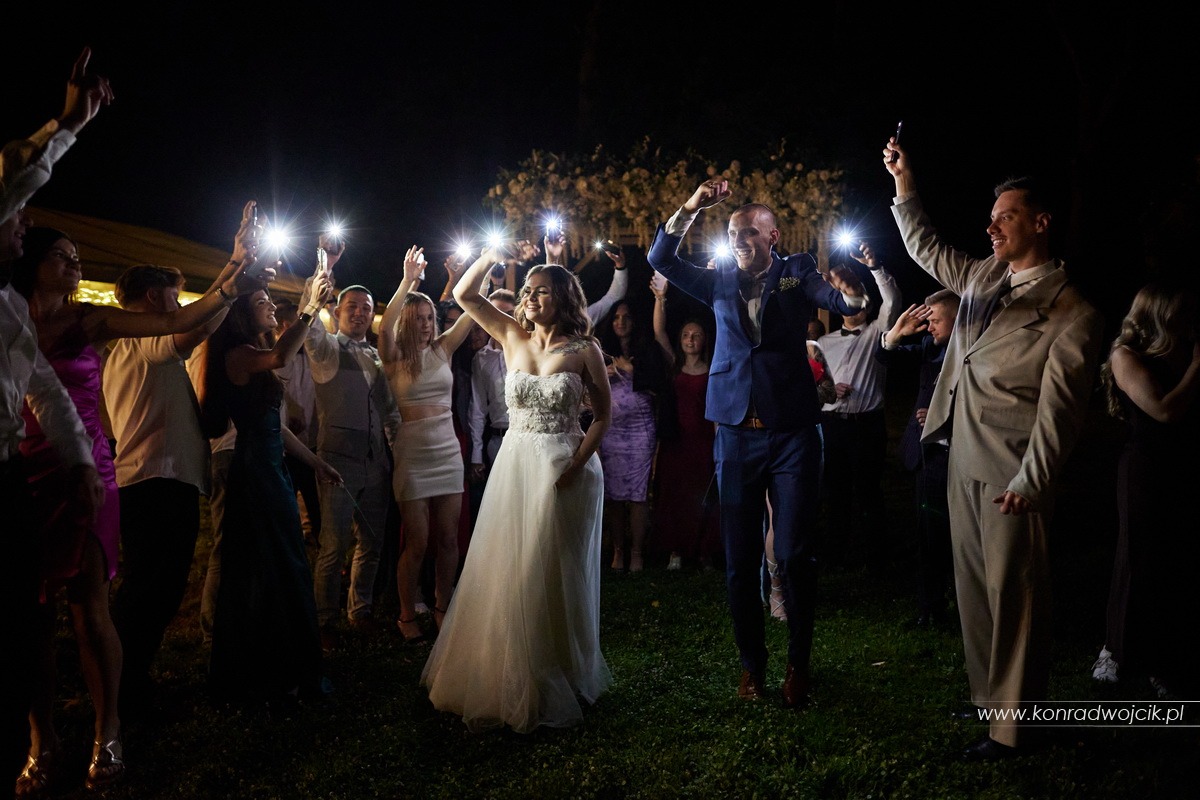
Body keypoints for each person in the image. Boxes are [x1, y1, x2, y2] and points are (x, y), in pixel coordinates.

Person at [10, 221, 251, 792]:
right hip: (22, 469)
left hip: (88, 467)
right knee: (30, 617)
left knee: (89, 606)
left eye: (77, 256)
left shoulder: (92, 321)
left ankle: (109, 727)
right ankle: (42, 737)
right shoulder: (9, 321)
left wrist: (233, 269)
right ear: (31, 263)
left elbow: (176, 323)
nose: (75, 264)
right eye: (62, 256)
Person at [883, 137, 1105, 759]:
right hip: (960, 455)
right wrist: (904, 182)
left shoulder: (1073, 313)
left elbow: (1061, 413)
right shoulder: (983, 276)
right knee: (975, 591)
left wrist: (1033, 480)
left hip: (1012, 474)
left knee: (1017, 598)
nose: (992, 227)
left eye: (1006, 216)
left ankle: (1014, 731)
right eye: (991, 217)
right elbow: (926, 247)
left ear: (1041, 223)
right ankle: (989, 703)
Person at [647, 179, 869, 708]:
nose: (739, 239)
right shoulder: (718, 280)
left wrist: (854, 296)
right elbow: (661, 258)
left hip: (792, 433)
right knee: (739, 560)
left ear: (773, 236)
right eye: (732, 233)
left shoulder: (797, 271)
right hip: (734, 435)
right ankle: (752, 664)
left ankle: (798, 663)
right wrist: (692, 206)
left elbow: (836, 299)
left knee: (792, 554)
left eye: (749, 231)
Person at [421, 247, 612, 733]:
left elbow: (602, 417)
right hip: (515, 463)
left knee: (551, 567)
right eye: (528, 290)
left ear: (563, 297)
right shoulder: (510, 334)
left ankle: (558, 667)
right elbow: (465, 294)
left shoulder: (585, 349)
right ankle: (506, 672)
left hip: (564, 467)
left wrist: (575, 466)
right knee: (509, 564)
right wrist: (490, 255)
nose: (530, 297)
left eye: (541, 291)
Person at [101, 203, 268, 724]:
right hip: (155, 480)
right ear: (154, 298)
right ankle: (121, 687)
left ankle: (129, 679)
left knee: (156, 587)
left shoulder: (131, 344)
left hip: (159, 479)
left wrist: (234, 270)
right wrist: (232, 274)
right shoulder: (143, 339)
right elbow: (189, 328)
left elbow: (198, 320)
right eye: (173, 296)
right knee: (150, 591)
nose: (179, 304)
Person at [2, 46, 109, 789]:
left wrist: (77, 462)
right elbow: (9, 184)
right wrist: (65, 127)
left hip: (12, 478)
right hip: (18, 474)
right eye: (16, 222)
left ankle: (44, 740)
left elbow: (45, 390)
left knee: (29, 617)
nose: (21, 225)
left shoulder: (9, 311)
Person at [198, 270, 341, 710]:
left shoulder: (254, 354)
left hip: (271, 465)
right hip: (253, 471)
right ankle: (270, 669)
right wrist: (310, 309)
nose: (272, 307)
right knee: (269, 565)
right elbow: (281, 356)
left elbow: (277, 428)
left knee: (285, 561)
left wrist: (316, 463)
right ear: (242, 314)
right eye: (262, 302)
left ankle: (285, 663)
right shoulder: (238, 356)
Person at [1092, 283, 1199, 698]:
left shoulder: (1183, 353)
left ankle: (1167, 658)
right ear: (1160, 314)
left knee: (1178, 560)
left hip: (1185, 465)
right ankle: (1118, 650)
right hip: (1147, 467)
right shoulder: (1126, 356)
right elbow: (1164, 409)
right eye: (1182, 310)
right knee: (1139, 557)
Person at [304, 236, 400, 650]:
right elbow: (308, 323)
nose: (360, 313)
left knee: (372, 542)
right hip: (338, 461)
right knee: (333, 545)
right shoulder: (326, 349)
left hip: (376, 462)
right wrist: (325, 265)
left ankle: (359, 610)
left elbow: (389, 411)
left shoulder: (377, 356)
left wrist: (396, 451)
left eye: (366, 308)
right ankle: (324, 620)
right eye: (352, 307)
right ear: (337, 312)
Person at [379, 246, 477, 642]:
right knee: (417, 541)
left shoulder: (443, 349)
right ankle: (406, 614)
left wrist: (470, 274)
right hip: (413, 454)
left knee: (449, 537)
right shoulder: (393, 356)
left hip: (447, 450)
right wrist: (407, 281)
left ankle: (442, 606)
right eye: (418, 318)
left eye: (429, 318)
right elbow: (384, 329)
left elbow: (472, 310)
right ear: (407, 320)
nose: (425, 324)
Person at [874, 289, 961, 627]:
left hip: (965, 455)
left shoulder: (977, 350)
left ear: (957, 318)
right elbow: (886, 359)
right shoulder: (929, 346)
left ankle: (967, 608)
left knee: (962, 538)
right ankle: (930, 608)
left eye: (936, 319)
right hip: (930, 457)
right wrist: (895, 335)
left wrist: (945, 419)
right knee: (928, 536)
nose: (930, 326)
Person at [816, 244, 901, 564]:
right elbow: (815, 388)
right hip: (832, 426)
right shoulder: (824, 342)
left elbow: (893, 301)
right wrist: (829, 390)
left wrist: (875, 268)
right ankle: (836, 551)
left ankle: (877, 556)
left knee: (869, 490)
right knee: (834, 490)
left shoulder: (878, 332)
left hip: (867, 425)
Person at [648, 273, 719, 571]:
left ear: (704, 340)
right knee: (674, 495)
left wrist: (719, 445)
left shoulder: (713, 368)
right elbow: (658, 332)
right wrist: (660, 298)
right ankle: (676, 551)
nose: (690, 339)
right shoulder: (674, 364)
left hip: (703, 441)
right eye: (686, 335)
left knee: (704, 496)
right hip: (676, 441)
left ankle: (705, 552)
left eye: (696, 335)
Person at [596, 299, 669, 573]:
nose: (621, 322)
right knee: (614, 495)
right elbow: (587, 389)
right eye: (616, 317)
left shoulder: (647, 351)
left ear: (635, 321)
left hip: (641, 430)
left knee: (638, 494)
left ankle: (637, 552)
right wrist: (604, 374)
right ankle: (618, 550)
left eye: (626, 317)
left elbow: (661, 387)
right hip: (611, 431)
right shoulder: (602, 352)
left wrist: (631, 371)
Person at [467, 288, 518, 503]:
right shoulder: (481, 358)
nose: (502, 318)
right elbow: (477, 408)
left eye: (508, 313)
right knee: (501, 503)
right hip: (497, 441)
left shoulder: (527, 349)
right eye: (496, 313)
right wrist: (476, 456)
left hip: (528, 438)